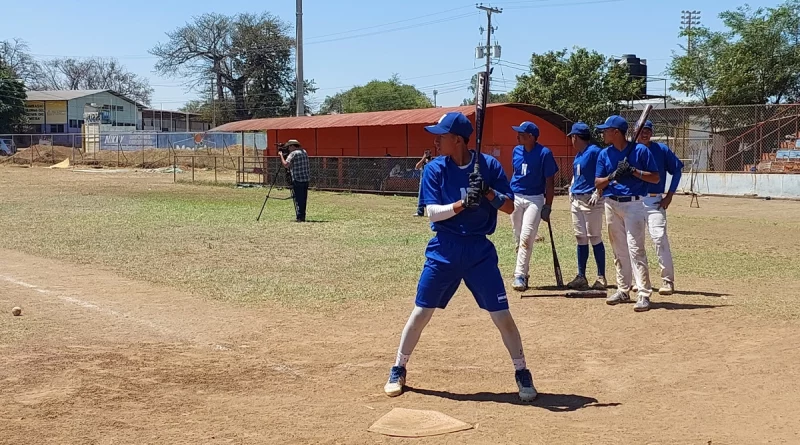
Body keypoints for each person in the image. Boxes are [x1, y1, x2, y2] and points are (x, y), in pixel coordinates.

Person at [383, 111, 538, 402]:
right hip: (445, 248)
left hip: (479, 250)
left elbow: (509, 208)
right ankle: (398, 367)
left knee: (502, 316)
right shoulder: (435, 169)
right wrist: (462, 203)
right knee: (421, 312)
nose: (436, 141)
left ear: (457, 140)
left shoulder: (488, 165)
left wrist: (488, 193)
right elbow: (432, 213)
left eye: (441, 136)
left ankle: (522, 372)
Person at [593, 115, 660, 312]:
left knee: (636, 249)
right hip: (612, 204)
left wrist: (633, 171)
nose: (602, 133)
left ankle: (644, 293)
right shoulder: (604, 154)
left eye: (606, 130)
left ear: (616, 132)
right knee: (619, 250)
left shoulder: (640, 151)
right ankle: (623, 289)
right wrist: (614, 175)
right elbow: (598, 183)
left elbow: (655, 177)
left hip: (634, 205)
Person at [508, 121, 559, 291]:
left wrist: (548, 205)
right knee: (518, 236)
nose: (517, 136)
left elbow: (550, 182)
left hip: (534, 199)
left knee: (527, 236)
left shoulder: (544, 153)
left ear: (531, 137)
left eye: (521, 134)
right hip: (516, 196)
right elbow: (514, 174)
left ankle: (519, 275)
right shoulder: (516, 151)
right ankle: (524, 271)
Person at [636, 120, 684, 295]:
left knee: (659, 239)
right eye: (641, 130)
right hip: (634, 201)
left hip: (654, 200)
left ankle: (667, 280)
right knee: (635, 243)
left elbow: (677, 170)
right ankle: (640, 280)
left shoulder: (661, 149)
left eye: (648, 130)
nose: (645, 134)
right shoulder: (630, 150)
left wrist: (669, 195)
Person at [565, 122, 607, 290]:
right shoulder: (578, 155)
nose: (571, 141)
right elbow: (578, 176)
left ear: (576, 137)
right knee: (580, 237)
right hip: (577, 199)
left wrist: (599, 192)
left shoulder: (595, 152)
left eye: (572, 137)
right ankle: (581, 276)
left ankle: (601, 277)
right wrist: (571, 188)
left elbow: (604, 171)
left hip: (591, 199)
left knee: (594, 236)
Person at [279, 139, 310, 222]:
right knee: (303, 198)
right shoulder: (304, 152)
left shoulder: (293, 154)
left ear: (292, 146)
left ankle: (299, 217)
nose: (288, 149)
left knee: (298, 198)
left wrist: (281, 155)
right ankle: (302, 215)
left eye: (289, 147)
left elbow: (286, 165)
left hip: (297, 179)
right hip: (305, 178)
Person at [414, 149, 433, 216]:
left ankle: (432, 211)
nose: (427, 154)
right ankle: (420, 211)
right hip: (423, 182)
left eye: (429, 153)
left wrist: (429, 159)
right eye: (426, 153)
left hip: (431, 182)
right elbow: (417, 167)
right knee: (421, 197)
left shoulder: (432, 162)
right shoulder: (423, 163)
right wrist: (423, 158)